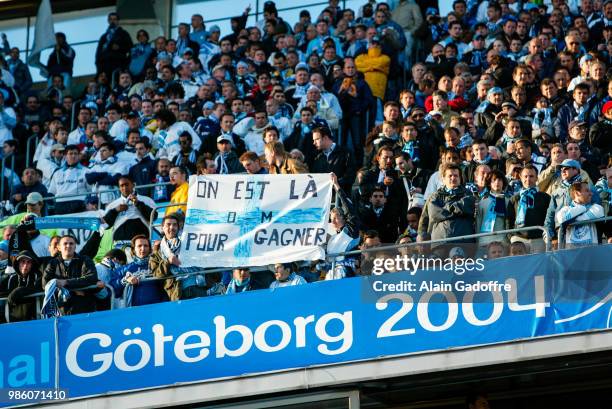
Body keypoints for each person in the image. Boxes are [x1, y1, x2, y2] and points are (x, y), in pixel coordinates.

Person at [418, 164, 476, 257]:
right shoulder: (434, 196)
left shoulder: (468, 194)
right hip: (440, 243)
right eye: (450, 176)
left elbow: (467, 207)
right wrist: (457, 210)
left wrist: (444, 208)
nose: (453, 178)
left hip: (463, 242)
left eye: (456, 175)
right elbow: (433, 214)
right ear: (443, 179)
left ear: (460, 178)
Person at [42, 235, 99, 315]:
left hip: (84, 311)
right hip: (61, 313)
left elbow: (91, 278)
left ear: (75, 246)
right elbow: (46, 284)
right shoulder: (52, 263)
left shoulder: (85, 260)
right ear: (59, 247)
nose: (68, 246)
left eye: (71, 243)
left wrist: (66, 282)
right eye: (65, 243)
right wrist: (76, 290)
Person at [109, 235, 168, 307]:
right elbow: (112, 291)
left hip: (157, 309)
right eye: (139, 246)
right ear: (133, 249)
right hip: (133, 312)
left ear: (150, 249)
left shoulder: (159, 266)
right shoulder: (122, 270)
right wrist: (125, 280)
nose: (143, 249)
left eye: (145, 246)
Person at [508, 165, 551, 253]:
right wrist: (511, 236)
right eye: (525, 176)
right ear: (520, 177)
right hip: (518, 239)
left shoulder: (545, 197)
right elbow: (508, 220)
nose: (528, 179)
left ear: (536, 178)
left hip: (539, 240)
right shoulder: (514, 199)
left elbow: (549, 218)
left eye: (531, 176)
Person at [103, 176, 156, 244]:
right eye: (122, 186)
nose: (124, 188)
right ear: (119, 188)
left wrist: (138, 204)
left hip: (141, 243)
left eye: (127, 184)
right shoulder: (113, 205)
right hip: (120, 242)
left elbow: (154, 217)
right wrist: (115, 211)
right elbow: (105, 225)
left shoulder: (146, 200)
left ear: (133, 185)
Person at [556, 181, 605, 248]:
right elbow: (562, 218)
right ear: (577, 193)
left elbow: (599, 211)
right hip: (572, 255)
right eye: (587, 191)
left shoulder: (596, 207)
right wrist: (584, 208)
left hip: (592, 253)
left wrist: (572, 219)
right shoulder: (566, 209)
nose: (591, 194)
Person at [311, 126, 356, 194]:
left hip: (341, 198)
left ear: (325, 138)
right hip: (323, 200)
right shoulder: (316, 157)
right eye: (313, 140)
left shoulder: (346, 153)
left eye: (316, 139)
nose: (314, 143)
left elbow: (350, 176)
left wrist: (334, 183)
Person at [0, 251, 42, 322]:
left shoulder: (37, 276)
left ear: (32, 264)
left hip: (34, 320)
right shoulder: (11, 278)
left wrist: (21, 290)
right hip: (13, 321)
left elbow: (40, 289)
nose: (25, 265)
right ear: (18, 263)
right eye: (23, 262)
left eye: (28, 262)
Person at [48, 145, 90, 214]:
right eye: (70, 153)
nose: (73, 156)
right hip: (60, 204)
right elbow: (51, 192)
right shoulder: (57, 173)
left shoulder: (86, 171)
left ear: (79, 156)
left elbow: (91, 190)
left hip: (79, 202)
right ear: (65, 156)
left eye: (75, 154)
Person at [95, 12, 133, 78]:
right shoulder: (104, 37)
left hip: (119, 65)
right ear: (108, 21)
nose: (112, 21)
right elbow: (98, 54)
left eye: (115, 19)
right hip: (105, 67)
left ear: (118, 21)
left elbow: (130, 48)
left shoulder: (124, 34)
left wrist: (119, 48)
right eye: (111, 19)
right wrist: (99, 69)